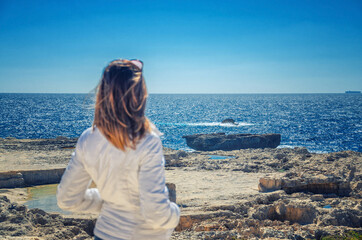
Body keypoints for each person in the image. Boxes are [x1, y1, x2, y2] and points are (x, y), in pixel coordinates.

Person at [56, 59, 180, 240]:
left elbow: (67, 199)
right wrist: (175, 213)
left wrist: (111, 199)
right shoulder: (147, 141)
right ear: (139, 95)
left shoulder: (87, 138)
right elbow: (156, 214)